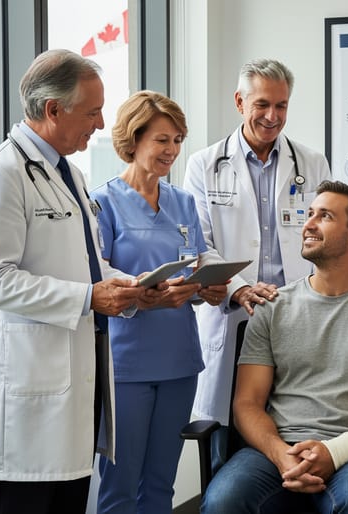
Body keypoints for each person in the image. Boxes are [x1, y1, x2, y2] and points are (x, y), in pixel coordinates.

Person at [0, 49, 147, 514]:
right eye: (92, 111)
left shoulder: (71, 174)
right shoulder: (2, 173)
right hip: (30, 394)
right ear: (52, 110)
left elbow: (82, 263)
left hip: (74, 391)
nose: (101, 123)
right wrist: (88, 297)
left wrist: (132, 286)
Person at [202, 180, 348, 513]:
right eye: (309, 214)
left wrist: (335, 452)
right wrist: (282, 455)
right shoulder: (273, 306)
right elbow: (247, 403)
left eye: (325, 216)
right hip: (276, 450)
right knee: (223, 501)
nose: (307, 224)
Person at [183, 58, 331, 468]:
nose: (272, 116)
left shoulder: (311, 163)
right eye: (262, 104)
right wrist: (241, 288)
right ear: (239, 102)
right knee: (228, 437)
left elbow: (327, 234)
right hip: (236, 314)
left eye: (281, 106)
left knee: (299, 423)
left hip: (297, 314)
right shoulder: (204, 164)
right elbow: (200, 243)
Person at [91, 91, 229, 513]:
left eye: (177, 140)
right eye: (161, 140)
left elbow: (195, 264)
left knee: (160, 485)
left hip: (179, 362)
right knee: (120, 487)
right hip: (126, 364)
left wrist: (207, 288)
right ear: (132, 141)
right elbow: (98, 284)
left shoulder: (183, 201)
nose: (171, 150)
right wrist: (145, 296)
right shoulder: (102, 204)